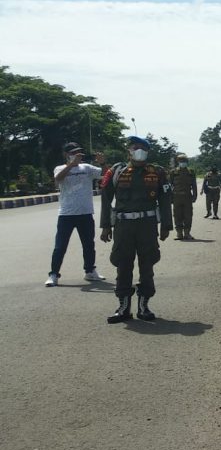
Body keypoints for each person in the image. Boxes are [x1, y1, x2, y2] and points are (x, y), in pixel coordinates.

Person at [99, 136, 173, 323]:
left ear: (147, 152)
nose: (138, 150)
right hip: (123, 226)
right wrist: (106, 226)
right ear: (128, 151)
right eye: (134, 147)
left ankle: (144, 306)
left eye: (142, 148)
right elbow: (106, 199)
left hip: (147, 226)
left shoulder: (158, 172)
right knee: (123, 265)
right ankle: (123, 307)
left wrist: (166, 225)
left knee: (147, 265)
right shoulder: (116, 171)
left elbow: (165, 199)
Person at [46, 142, 107, 286]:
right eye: (74, 153)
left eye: (79, 152)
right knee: (60, 246)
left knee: (88, 245)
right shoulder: (60, 168)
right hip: (66, 214)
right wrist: (71, 165)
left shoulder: (87, 168)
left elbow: (106, 174)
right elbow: (58, 179)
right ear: (66, 155)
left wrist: (103, 163)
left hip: (85, 213)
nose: (77, 155)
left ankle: (90, 271)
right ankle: (54, 274)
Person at [169, 153, 198, 240]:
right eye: (181, 161)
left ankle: (187, 233)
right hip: (176, 197)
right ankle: (179, 234)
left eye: (184, 161)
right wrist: (170, 197)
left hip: (187, 197)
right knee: (177, 216)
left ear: (187, 162)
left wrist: (195, 196)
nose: (183, 162)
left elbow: (194, 185)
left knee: (188, 216)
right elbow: (169, 186)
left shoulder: (191, 172)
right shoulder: (173, 172)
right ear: (178, 162)